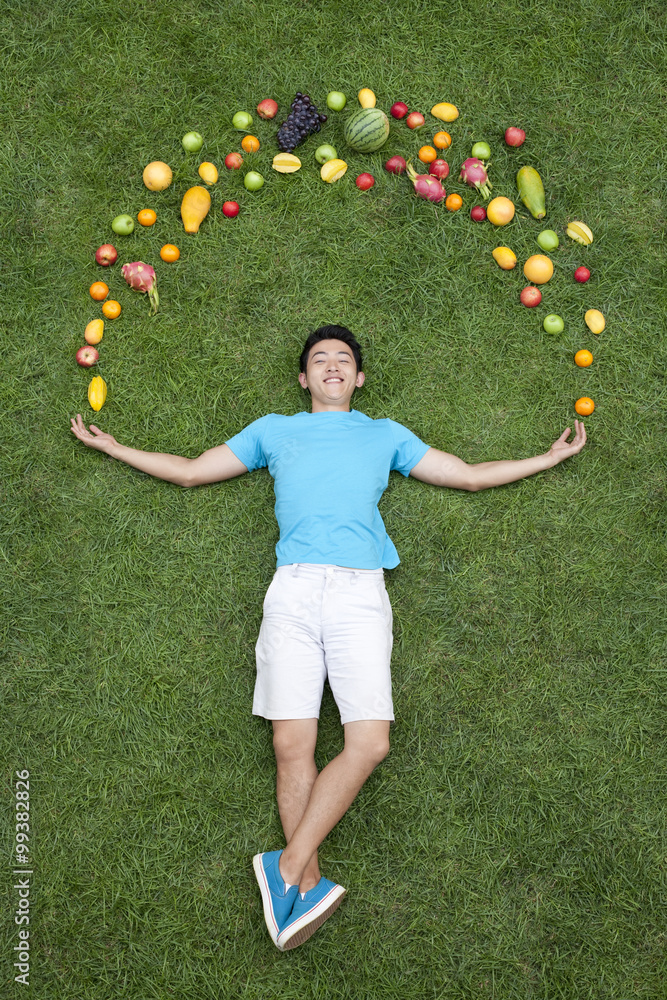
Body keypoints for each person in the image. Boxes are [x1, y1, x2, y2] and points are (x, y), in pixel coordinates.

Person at [70, 323, 586, 951]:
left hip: (358, 594)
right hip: (290, 592)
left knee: (369, 744)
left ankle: (284, 867)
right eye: (320, 360)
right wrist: (115, 449)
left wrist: (547, 457)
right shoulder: (273, 430)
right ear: (304, 378)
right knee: (293, 748)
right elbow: (191, 472)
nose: (333, 366)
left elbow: (468, 475)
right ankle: (304, 888)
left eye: (344, 359)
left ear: (359, 378)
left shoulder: (384, 434)